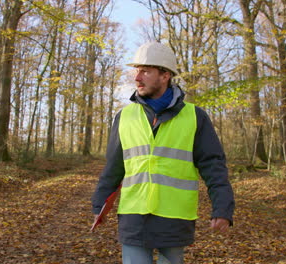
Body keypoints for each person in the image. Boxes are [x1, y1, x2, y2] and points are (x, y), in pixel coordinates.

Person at [91, 41, 235, 264]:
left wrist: (222, 208)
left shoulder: (195, 117)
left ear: (165, 75)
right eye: (136, 71)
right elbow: (114, 166)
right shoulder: (124, 116)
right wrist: (99, 204)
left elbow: (213, 165)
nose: (137, 77)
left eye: (145, 71)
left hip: (174, 218)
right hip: (133, 216)